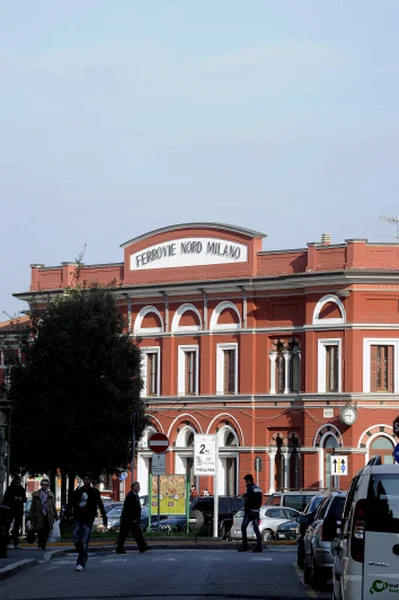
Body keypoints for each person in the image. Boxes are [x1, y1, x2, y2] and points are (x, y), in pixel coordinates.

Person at [71, 473, 107, 571]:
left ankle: (80, 562)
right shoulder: (78, 491)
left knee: (84, 541)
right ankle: (83, 554)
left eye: (88, 479)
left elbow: (100, 504)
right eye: (85, 479)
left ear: (90, 480)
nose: (86, 481)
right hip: (78, 518)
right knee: (75, 538)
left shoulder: (94, 492)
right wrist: (66, 515)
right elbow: (72, 503)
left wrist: (104, 518)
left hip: (88, 519)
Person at [116, 481, 149, 554]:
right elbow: (129, 509)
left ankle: (142, 547)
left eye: (139, 487)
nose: (139, 488)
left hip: (132, 519)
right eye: (137, 487)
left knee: (137, 533)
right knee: (123, 534)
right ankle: (119, 548)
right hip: (128, 519)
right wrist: (133, 519)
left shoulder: (135, 495)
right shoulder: (130, 496)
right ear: (133, 488)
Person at [28, 478, 58, 551]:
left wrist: (56, 515)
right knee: (40, 531)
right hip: (38, 515)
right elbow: (33, 506)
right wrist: (30, 516)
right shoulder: (36, 494)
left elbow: (53, 506)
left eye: (46, 485)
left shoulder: (50, 495)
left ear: (48, 486)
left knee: (46, 530)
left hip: (48, 515)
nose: (44, 486)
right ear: (41, 485)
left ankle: (43, 544)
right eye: (43, 485)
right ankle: (40, 542)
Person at [238, 474, 263, 553]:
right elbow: (258, 499)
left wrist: (245, 498)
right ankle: (259, 547)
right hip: (256, 511)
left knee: (243, 527)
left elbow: (249, 499)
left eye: (245, 481)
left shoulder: (250, 488)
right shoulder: (258, 488)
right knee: (256, 529)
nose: (245, 482)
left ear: (248, 480)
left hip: (249, 512)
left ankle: (245, 546)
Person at [3, 476, 27, 549]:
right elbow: (6, 499)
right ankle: (6, 542)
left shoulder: (21, 489)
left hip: (19, 510)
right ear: (14, 482)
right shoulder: (10, 489)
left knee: (16, 527)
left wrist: (21, 499)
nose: (18, 484)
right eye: (17, 483)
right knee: (7, 527)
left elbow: (25, 499)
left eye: (19, 483)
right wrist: (14, 498)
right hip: (10, 510)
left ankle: (16, 543)